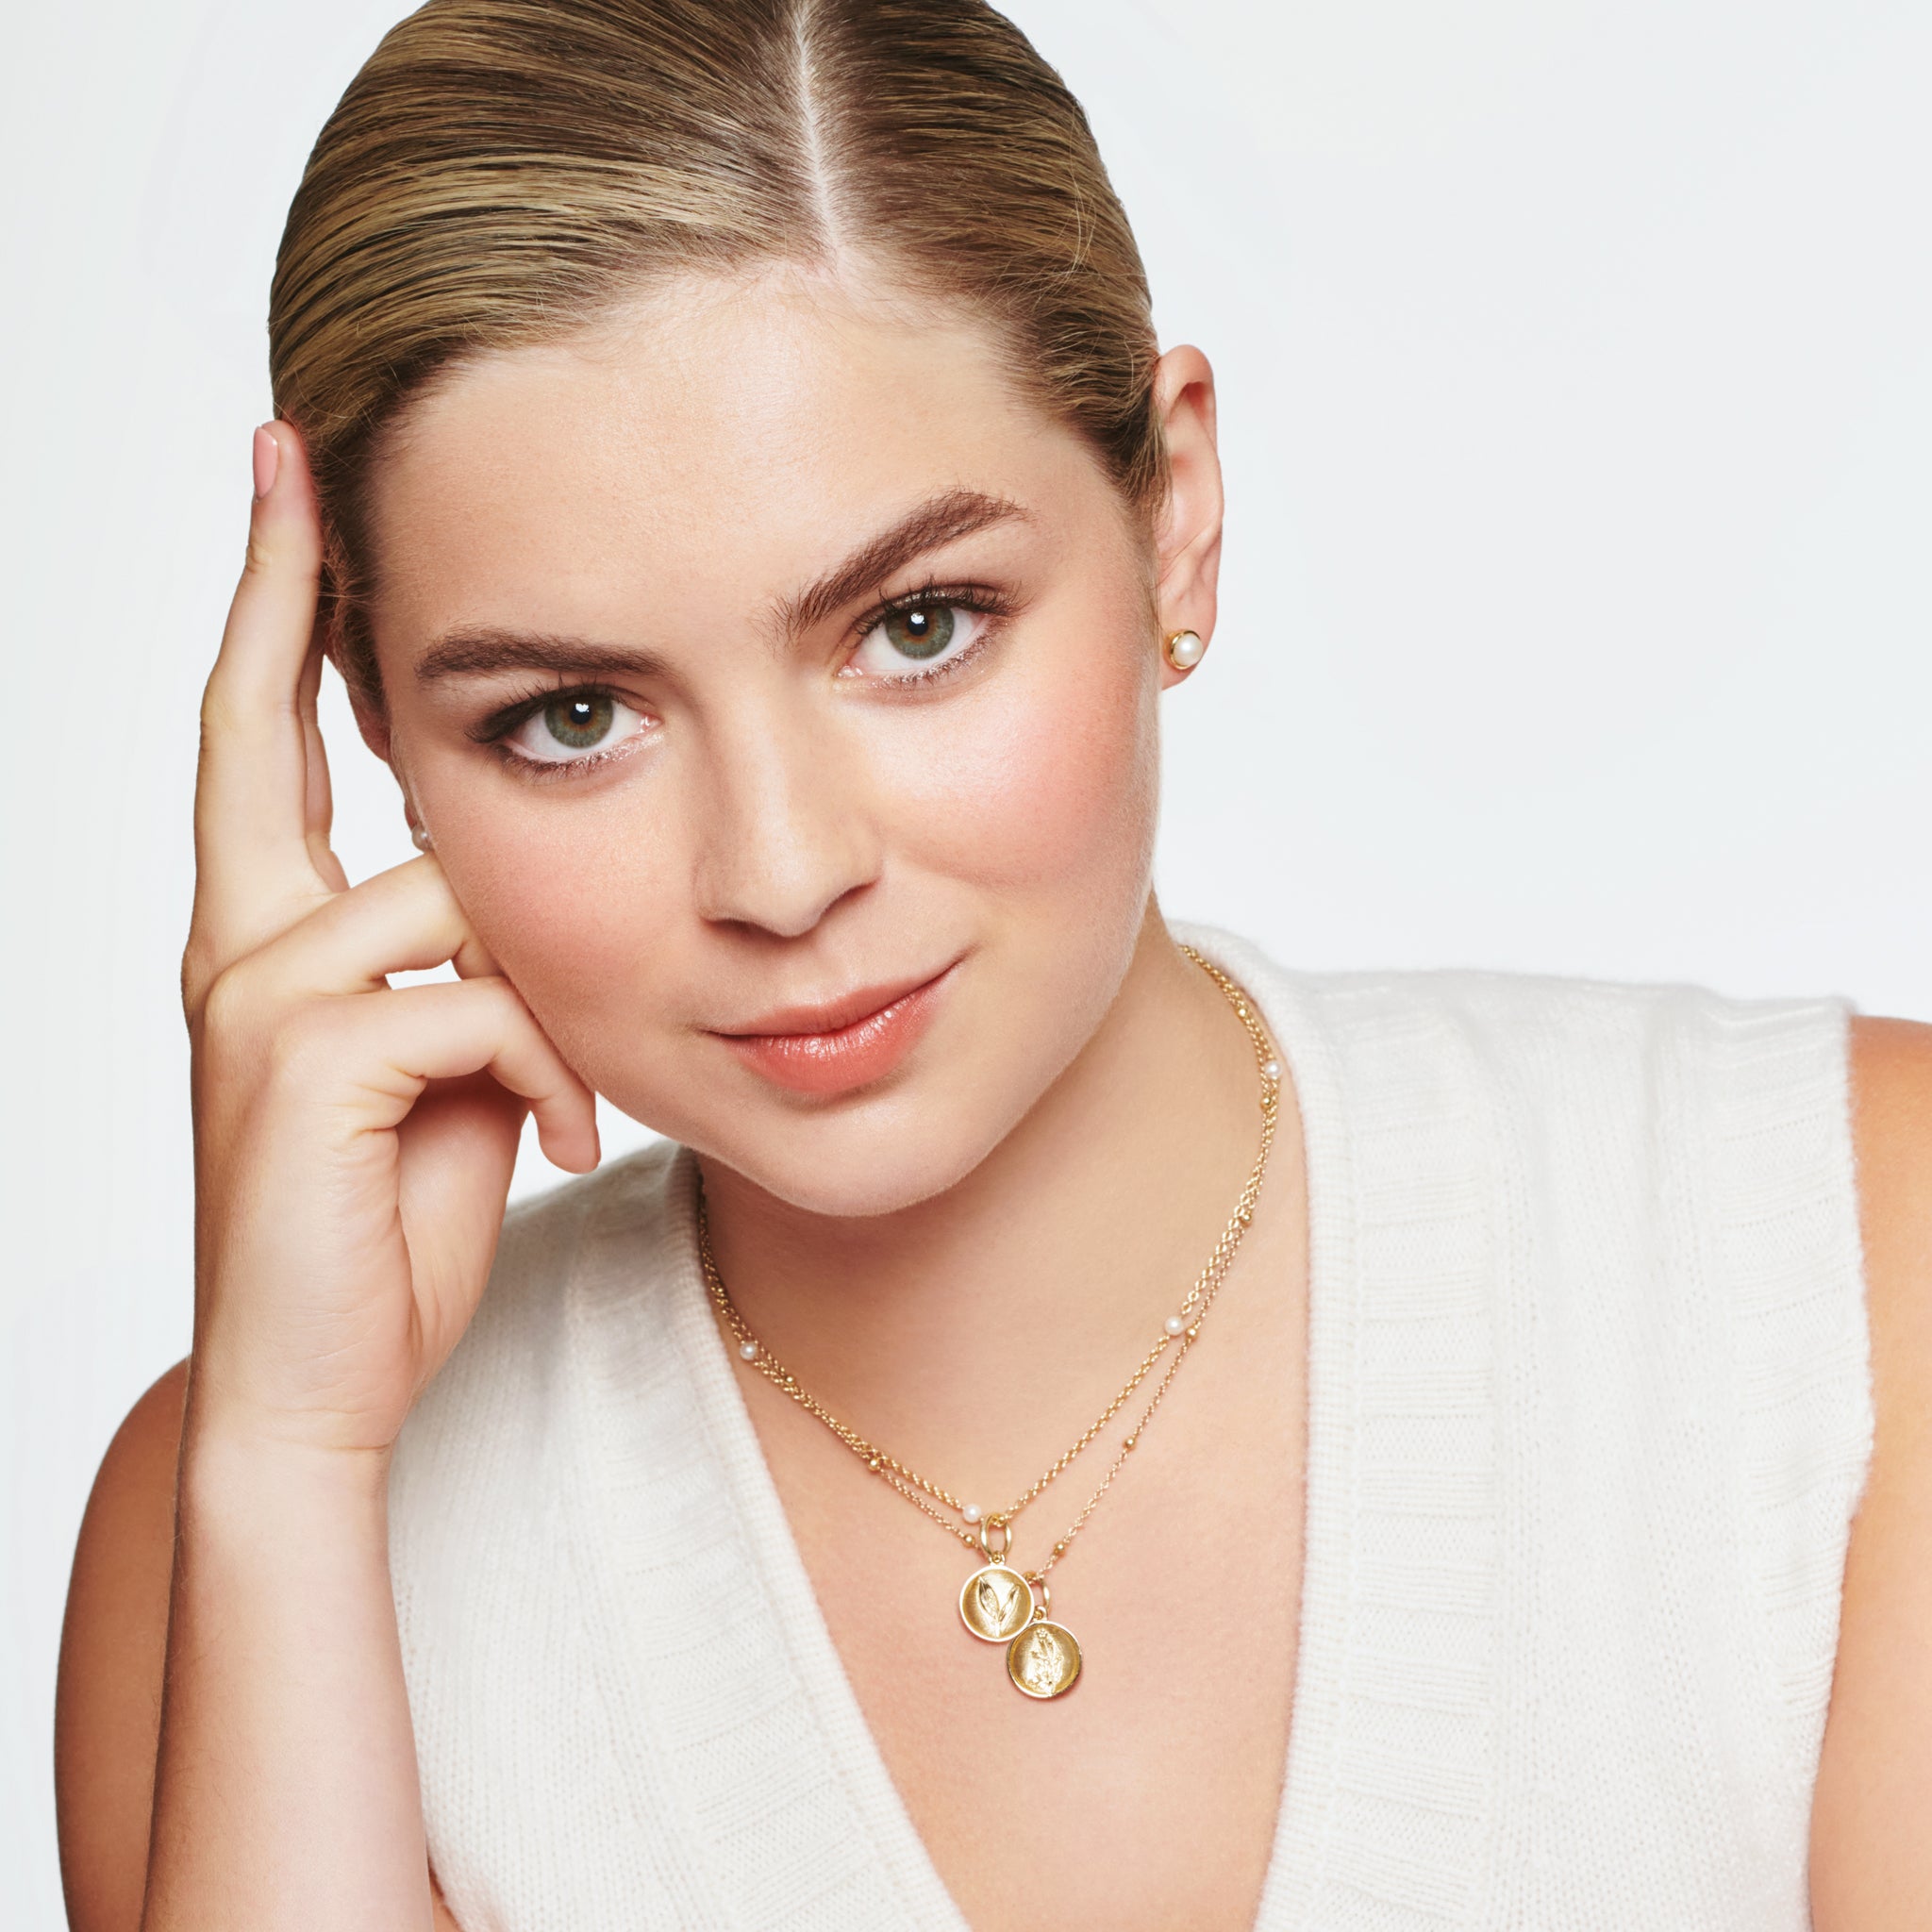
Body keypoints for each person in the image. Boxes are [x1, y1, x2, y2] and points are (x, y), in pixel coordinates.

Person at [47, 1, 1932, 1926]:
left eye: (918, 622)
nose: (780, 873)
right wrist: (290, 1465)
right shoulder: (254, 1513)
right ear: (369, 732)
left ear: (1173, 518)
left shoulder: (1847, 1270)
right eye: (570, 715)